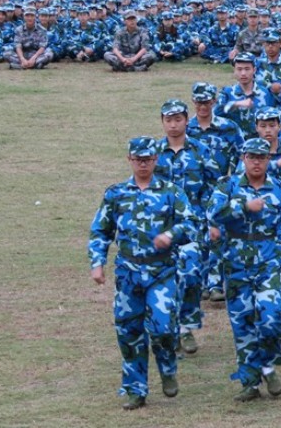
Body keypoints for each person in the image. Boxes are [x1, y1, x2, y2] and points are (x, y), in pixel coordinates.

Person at [88, 137, 197, 409]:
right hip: (128, 272)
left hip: (162, 271)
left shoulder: (171, 191)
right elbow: (101, 231)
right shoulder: (116, 194)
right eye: (138, 160)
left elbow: (192, 224)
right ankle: (135, 388)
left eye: (148, 159)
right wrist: (97, 263)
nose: (143, 164)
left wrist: (170, 235)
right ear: (130, 160)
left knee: (163, 328)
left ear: (155, 160)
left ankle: (168, 368)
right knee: (129, 331)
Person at [209, 137, 281, 402]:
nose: (257, 162)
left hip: (268, 262)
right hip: (235, 265)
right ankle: (251, 382)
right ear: (243, 158)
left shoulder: (279, 188)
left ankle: (267, 364)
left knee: (270, 319)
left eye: (262, 157)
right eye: (252, 157)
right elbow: (213, 214)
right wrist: (243, 206)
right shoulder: (228, 186)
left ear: (268, 160)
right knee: (243, 326)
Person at [152, 99, 218, 355]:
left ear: (186, 120)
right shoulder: (154, 152)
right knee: (163, 280)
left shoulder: (201, 150)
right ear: (162, 123)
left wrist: (211, 220)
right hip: (162, 226)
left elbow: (214, 188)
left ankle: (186, 327)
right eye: (168, 120)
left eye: (178, 119)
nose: (173, 124)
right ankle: (166, 328)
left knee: (191, 275)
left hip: (193, 225)